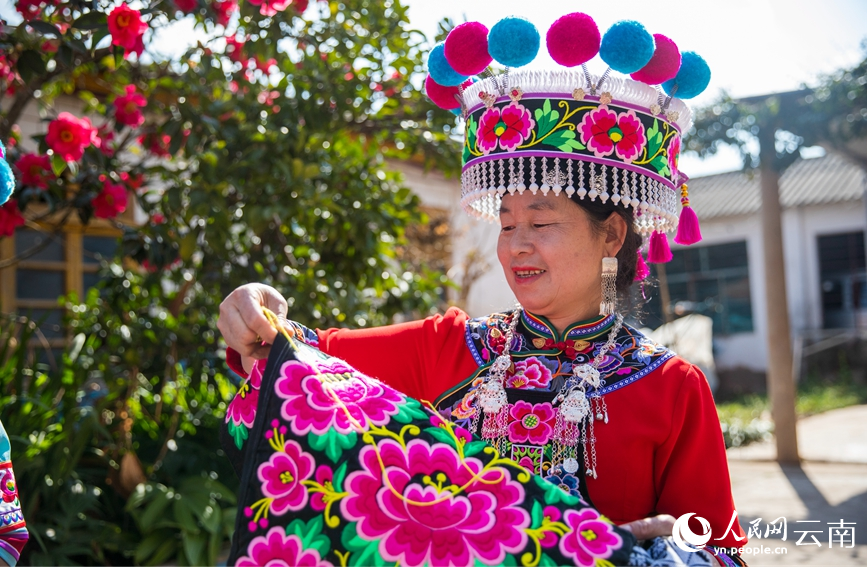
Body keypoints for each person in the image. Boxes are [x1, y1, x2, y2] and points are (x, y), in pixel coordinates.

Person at [218, 12, 747, 566]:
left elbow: (718, 551)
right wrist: (252, 307)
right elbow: (296, 357)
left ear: (611, 235)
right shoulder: (448, 347)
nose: (515, 245)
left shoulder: (672, 389)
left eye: (540, 224)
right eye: (507, 223)